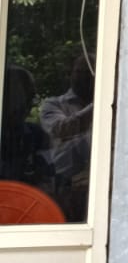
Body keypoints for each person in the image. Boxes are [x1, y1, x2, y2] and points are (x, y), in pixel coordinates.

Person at [41, 55, 94, 221]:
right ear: (70, 74)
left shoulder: (111, 107)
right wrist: (99, 105)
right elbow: (60, 129)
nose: (83, 77)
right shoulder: (53, 104)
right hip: (66, 187)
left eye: (88, 72)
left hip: (97, 185)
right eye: (79, 71)